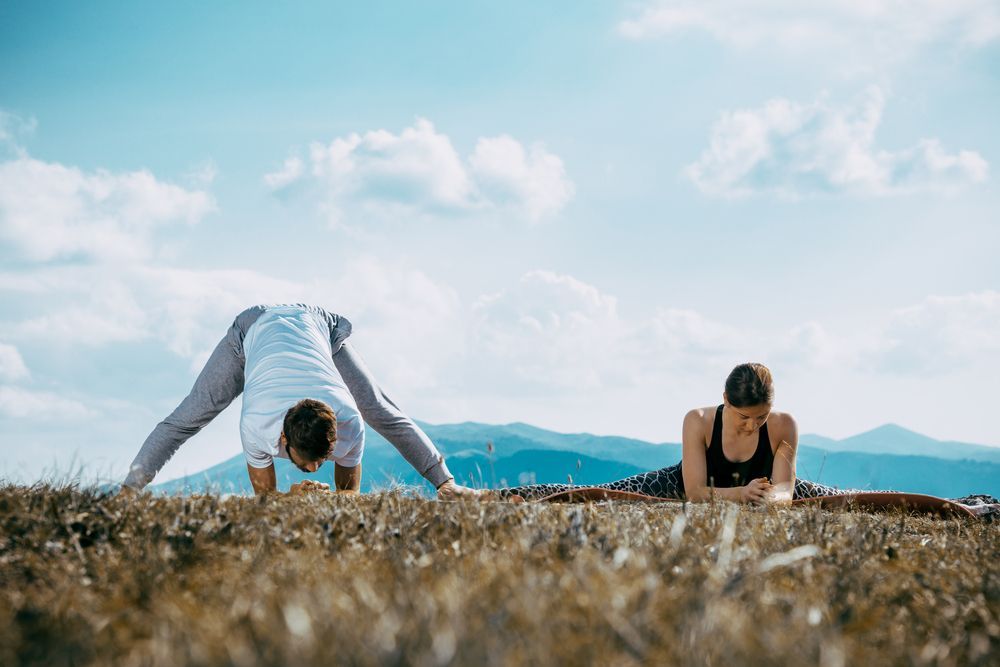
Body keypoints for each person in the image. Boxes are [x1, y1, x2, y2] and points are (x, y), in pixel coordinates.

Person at [492, 363, 999, 513]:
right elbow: (694, 494)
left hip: (764, 491)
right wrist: (738, 494)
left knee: (857, 501)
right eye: (742, 418)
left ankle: (971, 507)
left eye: (759, 418)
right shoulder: (697, 420)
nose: (751, 427)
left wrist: (771, 496)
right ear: (724, 402)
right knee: (609, 492)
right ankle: (493, 497)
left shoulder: (783, 426)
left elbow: (784, 487)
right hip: (696, 481)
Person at [120, 303, 477, 499]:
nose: (315, 470)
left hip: (314, 326)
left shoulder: (348, 422)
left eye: (320, 461)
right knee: (191, 415)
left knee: (378, 408)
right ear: (283, 440)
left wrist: (322, 499)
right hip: (252, 330)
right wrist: (293, 497)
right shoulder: (257, 425)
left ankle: (447, 484)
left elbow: (347, 500)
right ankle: (127, 492)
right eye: (308, 464)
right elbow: (265, 500)